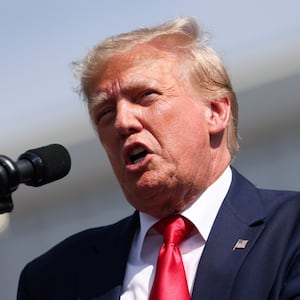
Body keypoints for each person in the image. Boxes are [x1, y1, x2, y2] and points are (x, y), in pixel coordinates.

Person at [17, 17, 300, 300]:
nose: (123, 122)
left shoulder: (290, 230)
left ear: (215, 112)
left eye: (145, 96)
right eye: (105, 112)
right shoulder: (54, 278)